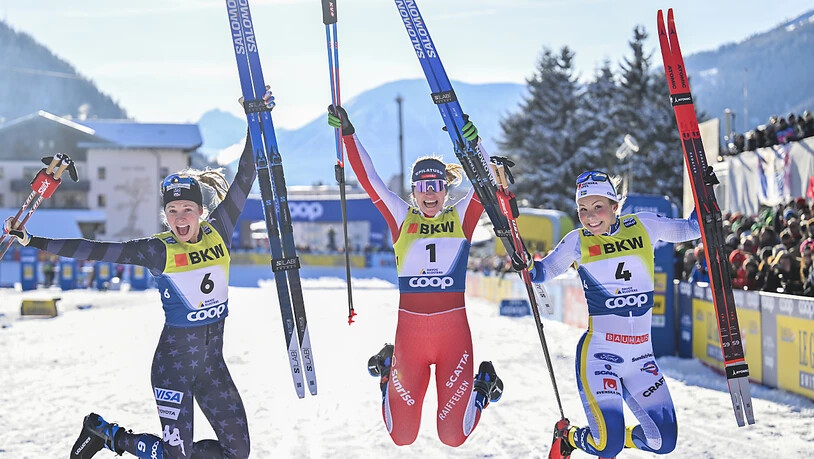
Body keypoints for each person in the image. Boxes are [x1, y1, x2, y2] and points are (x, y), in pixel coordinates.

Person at [4, 93, 274, 459]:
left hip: (212, 366)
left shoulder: (220, 230)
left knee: (237, 452)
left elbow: (245, 175)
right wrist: (34, 240)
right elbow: (96, 249)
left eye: (188, 210)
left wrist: (254, 119)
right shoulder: (158, 250)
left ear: (200, 211)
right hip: (173, 370)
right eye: (173, 210)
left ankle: (114, 437)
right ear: (166, 215)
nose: (181, 218)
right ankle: (107, 435)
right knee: (176, 456)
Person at [327, 105, 503, 447]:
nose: (430, 192)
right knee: (401, 436)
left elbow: (490, 184)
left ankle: (482, 384)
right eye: (423, 185)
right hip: (410, 341)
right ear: (413, 190)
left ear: (445, 189)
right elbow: (370, 180)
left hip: (453, 338)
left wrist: (476, 143)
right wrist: (348, 133)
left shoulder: (461, 217)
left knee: (453, 436)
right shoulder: (401, 218)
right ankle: (387, 368)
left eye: (436, 184)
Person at [511, 170, 700, 458]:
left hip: (641, 359)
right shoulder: (577, 241)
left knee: (663, 441)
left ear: (615, 207)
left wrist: (706, 198)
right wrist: (526, 263)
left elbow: (691, 229)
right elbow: (543, 271)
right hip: (600, 355)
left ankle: (609, 435)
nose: (590, 216)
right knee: (607, 447)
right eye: (583, 209)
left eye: (598, 207)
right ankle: (569, 436)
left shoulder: (642, 225)